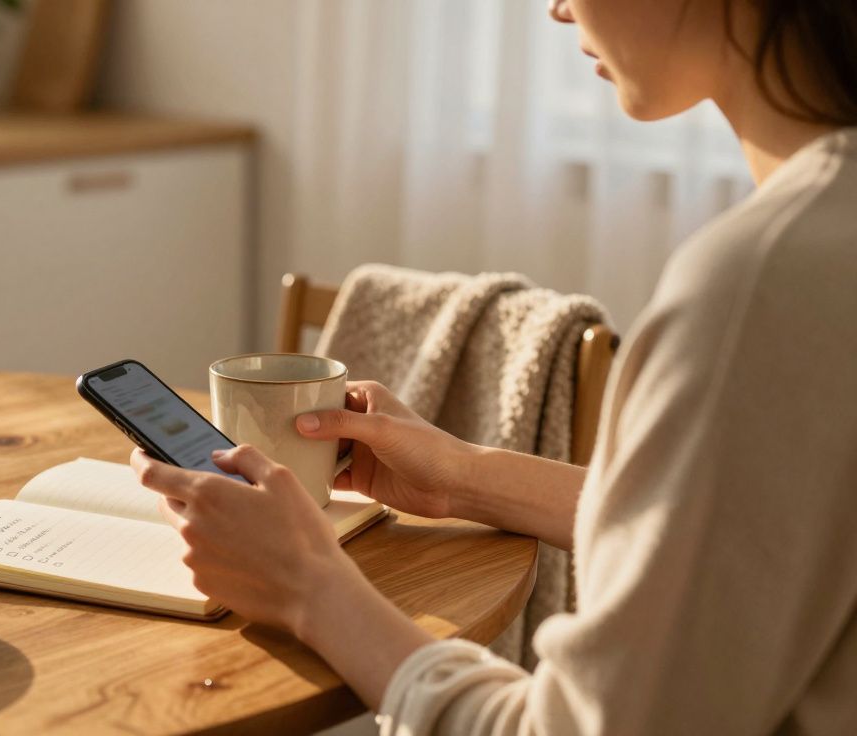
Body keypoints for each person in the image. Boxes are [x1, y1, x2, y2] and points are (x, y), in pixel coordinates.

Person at [129, 0, 857, 733]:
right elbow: (753, 539)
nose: (558, 8)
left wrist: (310, 590)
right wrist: (463, 478)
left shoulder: (764, 282)